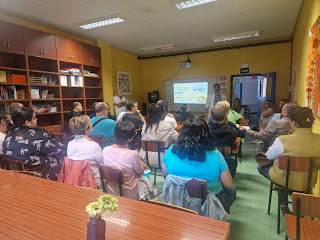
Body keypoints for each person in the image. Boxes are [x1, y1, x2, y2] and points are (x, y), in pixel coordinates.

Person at [162, 116, 236, 212]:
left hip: (178, 199)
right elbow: (228, 184)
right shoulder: (216, 155)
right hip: (207, 203)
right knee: (232, 189)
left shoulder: (171, 150)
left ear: (182, 134)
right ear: (207, 135)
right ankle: (219, 213)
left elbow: (165, 174)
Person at [258, 107, 320, 214]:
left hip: (284, 181)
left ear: (294, 122)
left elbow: (269, 156)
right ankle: (302, 199)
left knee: (262, 167)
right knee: (292, 175)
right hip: (308, 183)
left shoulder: (282, 140)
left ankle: (283, 202)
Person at [3, 107, 66, 181]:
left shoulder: (9, 134)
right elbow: (58, 149)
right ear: (27, 123)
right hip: (37, 172)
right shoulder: (37, 135)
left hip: (16, 174)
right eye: (34, 118)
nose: (37, 119)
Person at [103, 121, 159, 200]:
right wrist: (143, 166)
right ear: (129, 138)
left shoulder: (105, 150)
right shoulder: (133, 154)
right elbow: (140, 172)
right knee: (146, 177)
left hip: (112, 190)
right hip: (129, 192)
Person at [67, 115, 103, 188]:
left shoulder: (70, 144)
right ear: (86, 130)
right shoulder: (93, 145)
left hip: (75, 180)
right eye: (90, 124)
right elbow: (102, 163)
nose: (92, 125)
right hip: (93, 181)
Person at [208, 105, 238, 179]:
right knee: (233, 161)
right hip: (226, 162)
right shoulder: (232, 131)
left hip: (208, 161)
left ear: (211, 117)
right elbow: (232, 143)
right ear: (225, 116)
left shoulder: (205, 131)